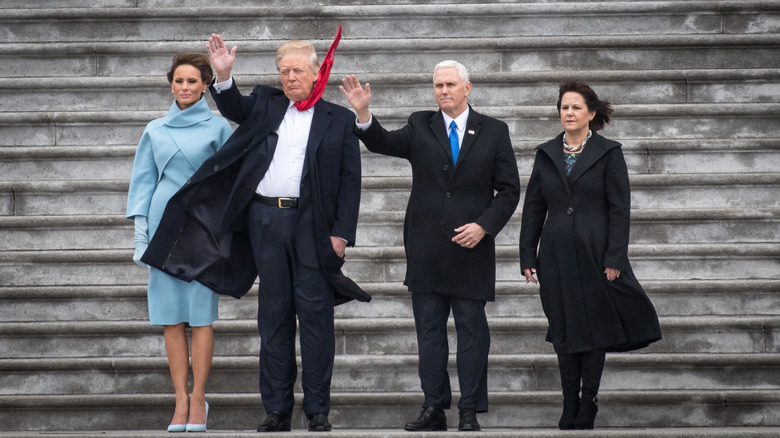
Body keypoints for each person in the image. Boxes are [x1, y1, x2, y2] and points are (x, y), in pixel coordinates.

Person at [141, 29, 368, 433]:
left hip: (313, 227)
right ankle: (277, 410)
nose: (290, 77)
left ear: (317, 73)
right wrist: (224, 76)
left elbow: (351, 182)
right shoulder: (267, 102)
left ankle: (317, 410)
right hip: (265, 221)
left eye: (297, 70)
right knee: (274, 318)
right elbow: (234, 107)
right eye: (284, 71)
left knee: (315, 319)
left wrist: (342, 234)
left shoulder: (339, 119)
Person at [340, 61, 521, 432]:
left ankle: (468, 408)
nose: (443, 91)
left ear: (467, 88)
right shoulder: (420, 124)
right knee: (429, 332)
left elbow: (509, 190)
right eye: (438, 85)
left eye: (450, 84)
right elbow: (383, 142)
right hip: (426, 247)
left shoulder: (494, 131)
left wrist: (484, 226)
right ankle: (434, 407)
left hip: (471, 248)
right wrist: (363, 113)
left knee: (472, 330)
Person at [519, 79, 662, 430]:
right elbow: (534, 208)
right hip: (554, 254)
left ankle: (589, 401)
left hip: (596, 253)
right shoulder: (546, 153)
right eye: (564, 107)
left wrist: (615, 257)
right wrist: (527, 255)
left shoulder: (608, 152)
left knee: (594, 327)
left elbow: (620, 208)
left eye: (576, 107)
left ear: (591, 113)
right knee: (564, 326)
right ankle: (569, 403)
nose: (569, 113)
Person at [126, 52, 233, 433]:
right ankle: (180, 399)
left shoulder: (220, 128)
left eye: (192, 81)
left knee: (201, 318)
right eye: (178, 81)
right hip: (164, 228)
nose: (184, 87)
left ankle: (200, 398)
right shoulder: (155, 129)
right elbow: (143, 182)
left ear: (205, 84)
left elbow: (231, 181)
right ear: (170, 84)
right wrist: (141, 234)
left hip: (204, 228)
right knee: (170, 318)